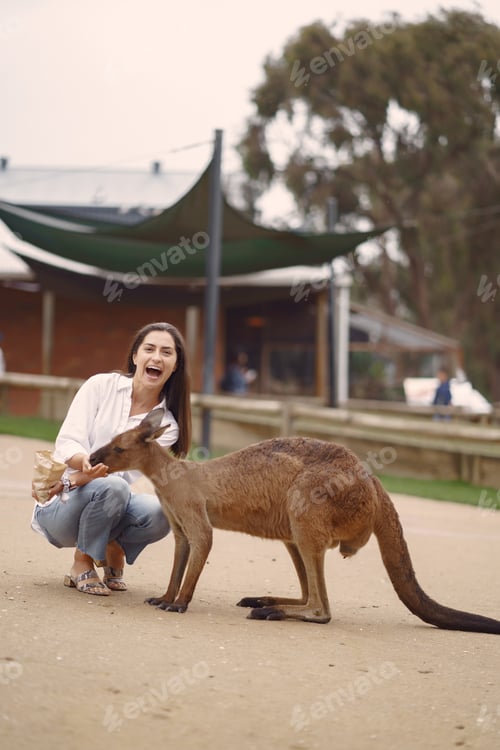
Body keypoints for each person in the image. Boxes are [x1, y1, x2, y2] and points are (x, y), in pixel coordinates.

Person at [31, 321, 192, 596]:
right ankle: (81, 562)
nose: (156, 357)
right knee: (113, 487)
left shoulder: (166, 425)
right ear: (135, 356)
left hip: (105, 500)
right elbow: (66, 442)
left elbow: (122, 475)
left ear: (175, 365)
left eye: (167, 352)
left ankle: (113, 545)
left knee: (160, 511)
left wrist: (76, 479)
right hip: (61, 508)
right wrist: (82, 462)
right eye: (149, 349)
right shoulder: (99, 386)